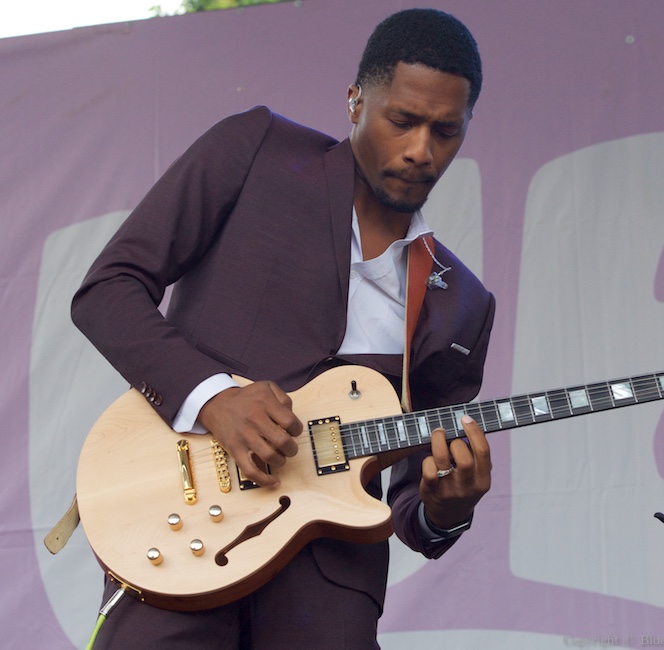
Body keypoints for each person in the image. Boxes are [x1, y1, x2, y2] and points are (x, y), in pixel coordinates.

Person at [71, 7, 495, 649]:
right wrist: (213, 397)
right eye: (402, 121)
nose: (420, 150)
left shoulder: (461, 303)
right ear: (356, 100)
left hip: (326, 603)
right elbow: (108, 290)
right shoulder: (257, 149)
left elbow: (411, 509)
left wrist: (447, 510)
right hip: (181, 536)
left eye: (446, 131)